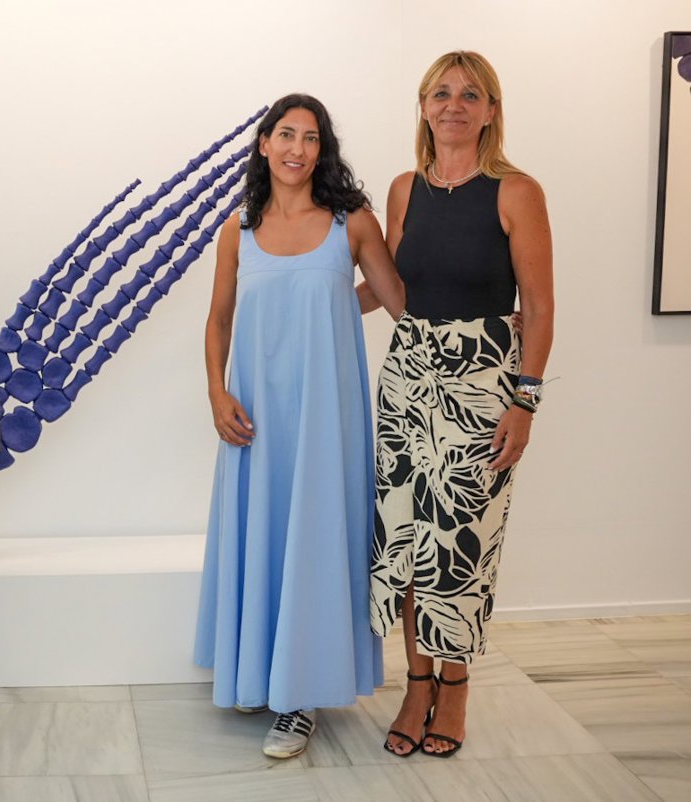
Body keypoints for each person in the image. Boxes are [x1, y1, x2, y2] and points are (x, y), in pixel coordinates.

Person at [194, 94, 405, 759]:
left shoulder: (353, 224)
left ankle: (301, 699)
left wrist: (485, 323)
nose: (297, 148)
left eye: (311, 138)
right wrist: (216, 392)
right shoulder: (238, 229)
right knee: (264, 531)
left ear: (323, 150)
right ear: (264, 144)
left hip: (326, 416)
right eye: (286, 134)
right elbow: (219, 319)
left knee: (314, 536)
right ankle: (261, 673)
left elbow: (400, 302)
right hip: (256, 417)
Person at [369, 51, 554, 759]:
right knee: (407, 539)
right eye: (441, 93)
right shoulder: (404, 189)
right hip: (407, 380)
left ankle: (455, 684)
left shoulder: (516, 191)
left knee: (462, 541)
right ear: (423, 106)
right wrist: (305, 299)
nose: (454, 105)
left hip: (482, 387)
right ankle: (415, 683)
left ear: (491, 110)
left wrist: (525, 401)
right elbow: (390, 286)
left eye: (470, 95)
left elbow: (539, 305)